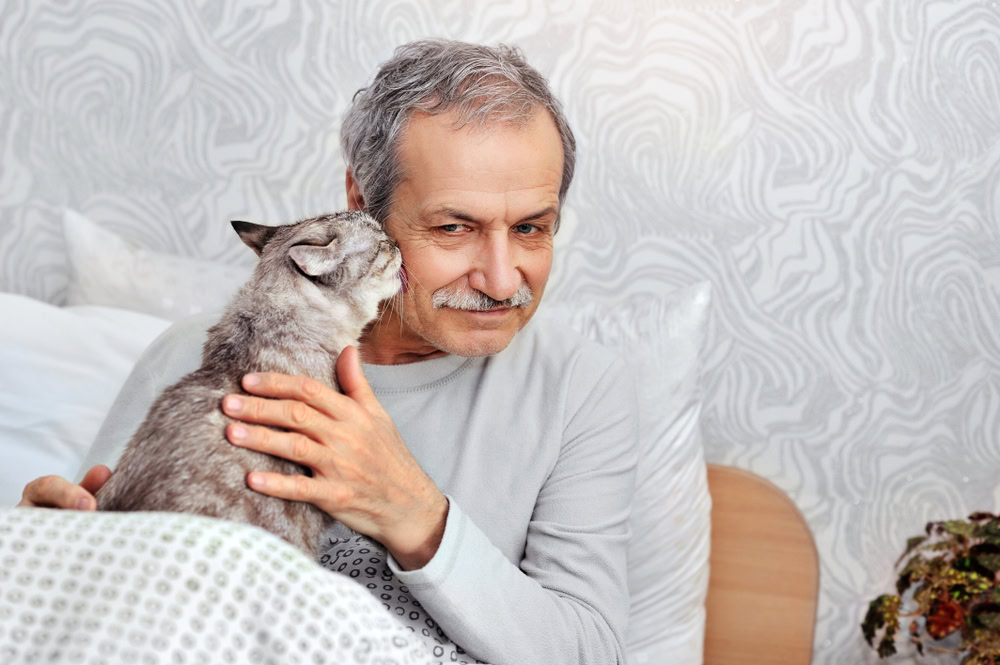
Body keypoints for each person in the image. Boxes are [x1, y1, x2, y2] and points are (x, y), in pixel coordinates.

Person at [19, 39, 638, 664]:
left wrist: (413, 511)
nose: (503, 281)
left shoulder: (582, 389)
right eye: (454, 228)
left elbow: (590, 651)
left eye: (531, 227)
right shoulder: (189, 358)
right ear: (360, 203)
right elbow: (96, 606)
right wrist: (39, 550)